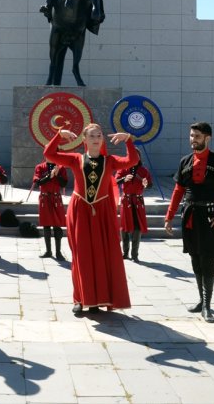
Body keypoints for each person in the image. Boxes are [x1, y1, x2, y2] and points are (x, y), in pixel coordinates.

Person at [43, 123, 135, 315]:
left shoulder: (109, 161)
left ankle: (98, 299)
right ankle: (79, 298)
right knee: (81, 256)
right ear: (84, 140)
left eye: (99, 135)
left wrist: (128, 140)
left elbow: (132, 161)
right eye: (92, 136)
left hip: (101, 212)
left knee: (101, 254)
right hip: (80, 211)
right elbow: (49, 154)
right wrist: (59, 135)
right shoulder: (76, 159)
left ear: (102, 140)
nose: (96, 139)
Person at [164, 122, 214, 323]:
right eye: (191, 136)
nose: (193, 140)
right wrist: (169, 216)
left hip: (211, 218)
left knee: (208, 260)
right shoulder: (185, 161)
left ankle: (207, 305)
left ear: (207, 138)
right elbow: (178, 190)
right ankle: (201, 300)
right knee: (195, 259)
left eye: (197, 136)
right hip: (190, 216)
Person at [115, 150, 152, 263]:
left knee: (137, 227)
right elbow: (115, 180)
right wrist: (123, 179)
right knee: (124, 227)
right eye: (133, 156)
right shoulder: (123, 169)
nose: (135, 158)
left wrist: (147, 184)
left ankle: (135, 254)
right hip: (126, 201)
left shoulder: (144, 171)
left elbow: (149, 185)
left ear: (140, 158)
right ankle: (125, 253)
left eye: (137, 156)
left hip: (138, 201)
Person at [33, 158, 68, 260]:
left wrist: (57, 175)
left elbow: (64, 184)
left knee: (57, 225)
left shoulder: (61, 168)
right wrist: (50, 176)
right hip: (45, 198)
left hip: (56, 198)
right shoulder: (40, 167)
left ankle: (58, 252)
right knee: (46, 225)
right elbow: (38, 182)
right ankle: (48, 251)